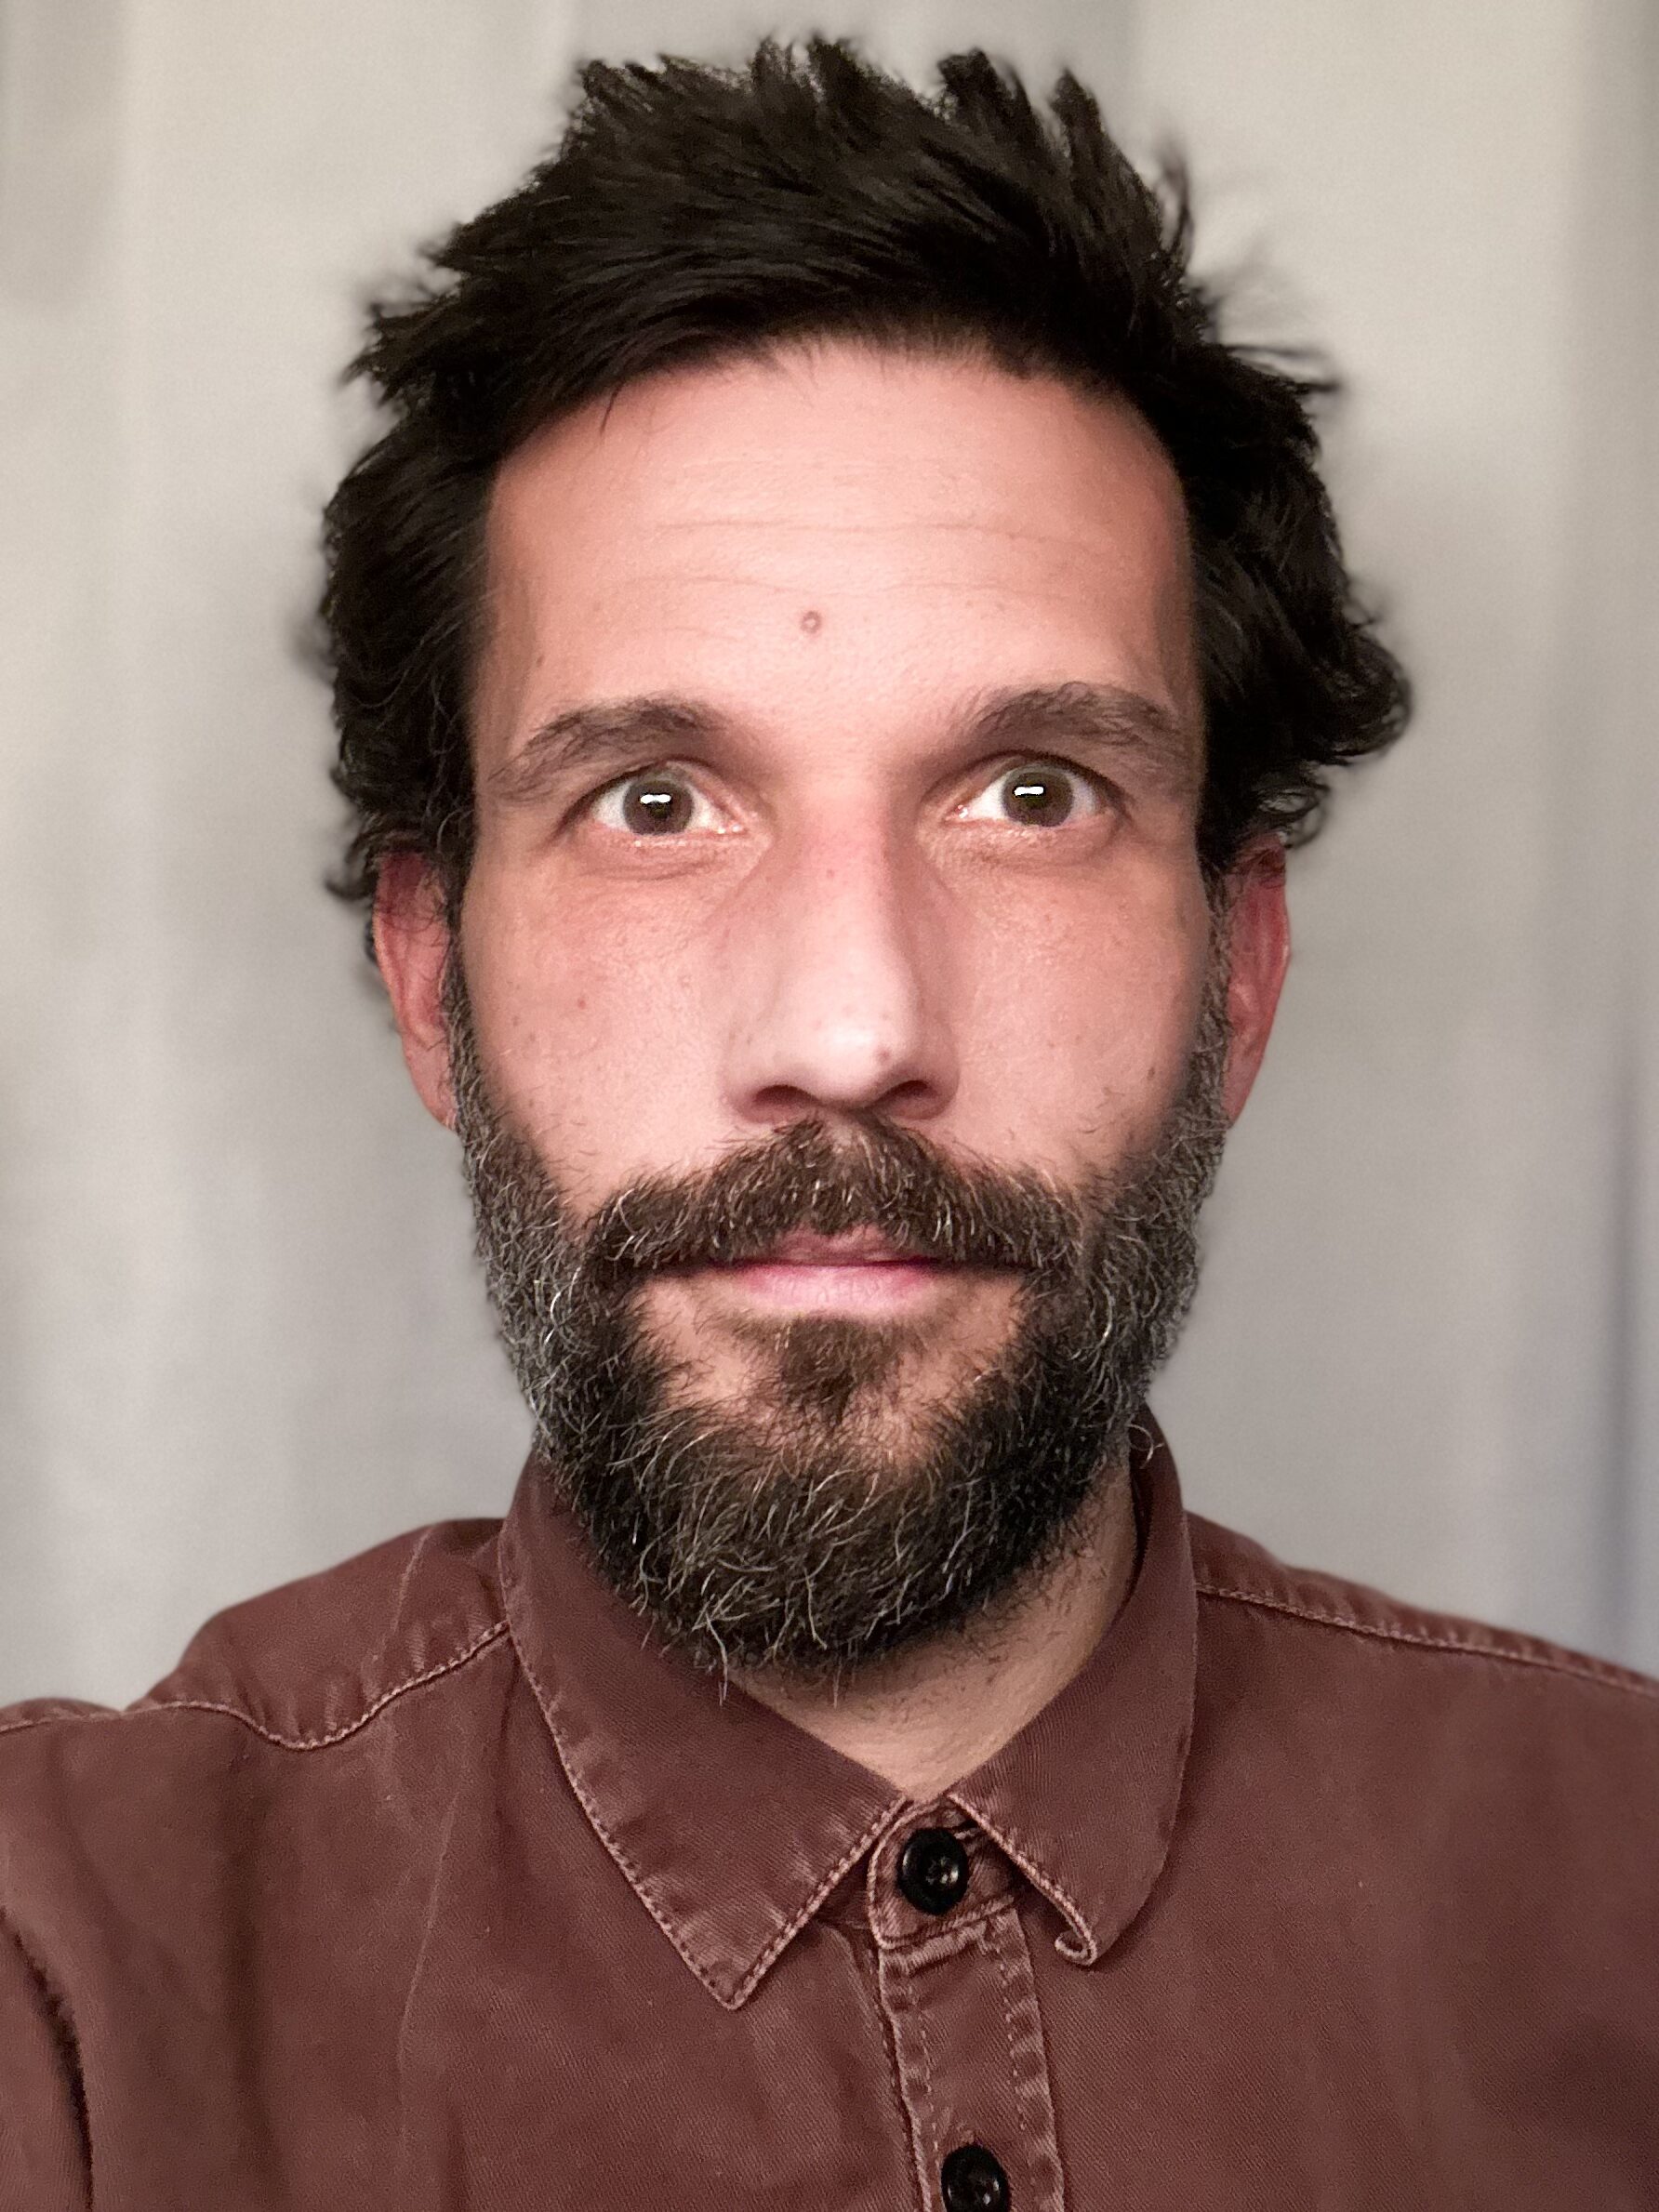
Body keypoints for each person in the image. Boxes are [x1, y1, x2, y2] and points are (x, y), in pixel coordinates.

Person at [2, 38, 1653, 2209]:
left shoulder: (1616, 1893)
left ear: (1236, 967)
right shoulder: (69, 1986)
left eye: (1031, 795)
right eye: (655, 801)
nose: (853, 1028)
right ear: (429, 971)